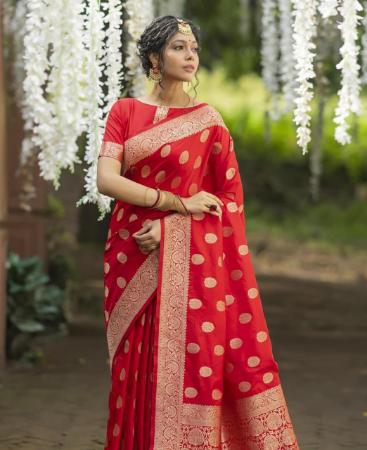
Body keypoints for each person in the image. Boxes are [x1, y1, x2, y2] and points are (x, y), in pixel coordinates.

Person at [97, 15, 300, 450]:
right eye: (177, 47)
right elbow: (107, 181)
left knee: (193, 363)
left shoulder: (208, 122)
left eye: (193, 48)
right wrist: (175, 203)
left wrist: (172, 230)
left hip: (185, 263)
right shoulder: (125, 111)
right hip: (131, 256)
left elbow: (230, 201)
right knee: (132, 369)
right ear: (154, 57)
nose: (190, 56)